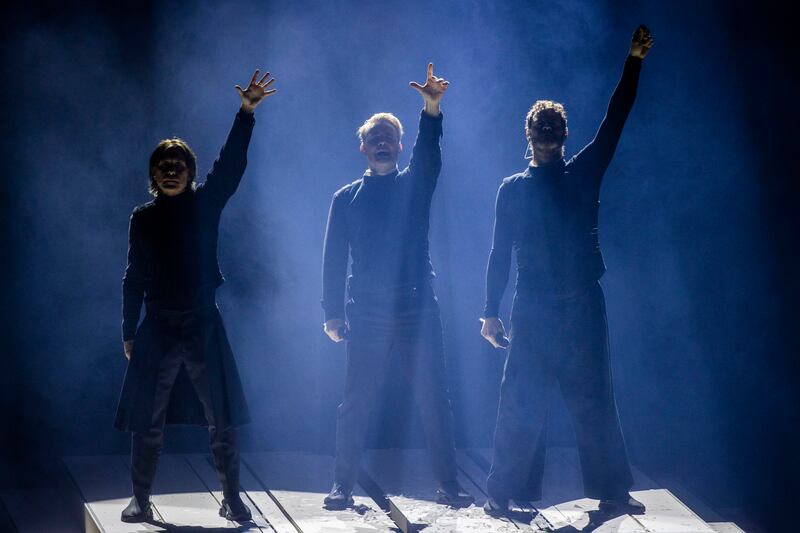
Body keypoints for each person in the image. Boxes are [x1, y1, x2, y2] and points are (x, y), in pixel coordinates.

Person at [480, 26, 654, 517]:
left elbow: (615, 119)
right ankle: (505, 491)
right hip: (542, 306)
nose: (550, 139)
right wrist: (490, 311)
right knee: (537, 400)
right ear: (537, 137)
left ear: (552, 137)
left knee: (585, 397)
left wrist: (634, 61)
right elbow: (499, 254)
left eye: (553, 133)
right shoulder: (519, 188)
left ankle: (610, 490)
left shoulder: (572, 176)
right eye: (546, 132)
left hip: (571, 303)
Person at [114, 69, 276, 523]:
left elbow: (230, 167)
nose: (170, 172)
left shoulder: (205, 204)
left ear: (189, 171)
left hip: (203, 322)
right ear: (154, 174)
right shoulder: (143, 218)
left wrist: (245, 114)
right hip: (159, 325)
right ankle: (140, 498)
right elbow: (134, 276)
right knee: (146, 418)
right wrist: (129, 331)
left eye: (177, 166)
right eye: (163, 167)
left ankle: (232, 496)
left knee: (221, 416)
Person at [321, 63, 473, 510]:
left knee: (433, 400)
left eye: (390, 137)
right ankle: (341, 486)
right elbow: (333, 258)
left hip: (417, 308)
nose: (382, 143)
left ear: (400, 146)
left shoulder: (414, 186)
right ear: (363, 148)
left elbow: (431, 158)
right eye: (375, 138)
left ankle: (449, 485)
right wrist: (332, 311)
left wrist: (431, 110)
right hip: (366, 312)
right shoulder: (345, 198)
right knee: (355, 404)